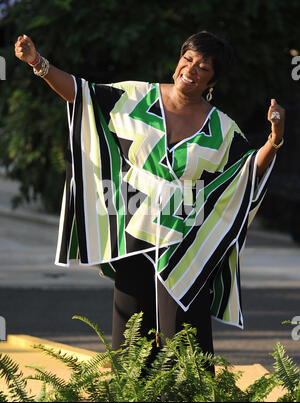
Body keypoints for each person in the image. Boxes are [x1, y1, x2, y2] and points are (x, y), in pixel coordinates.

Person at [15, 31, 285, 371]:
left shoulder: (222, 128)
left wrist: (274, 141)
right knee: (131, 334)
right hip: (135, 231)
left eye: (203, 67)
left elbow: (247, 173)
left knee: (186, 335)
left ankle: (188, 400)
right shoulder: (135, 96)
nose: (191, 69)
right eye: (188, 59)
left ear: (212, 79)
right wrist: (38, 64)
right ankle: (130, 400)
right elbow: (80, 94)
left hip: (186, 241)